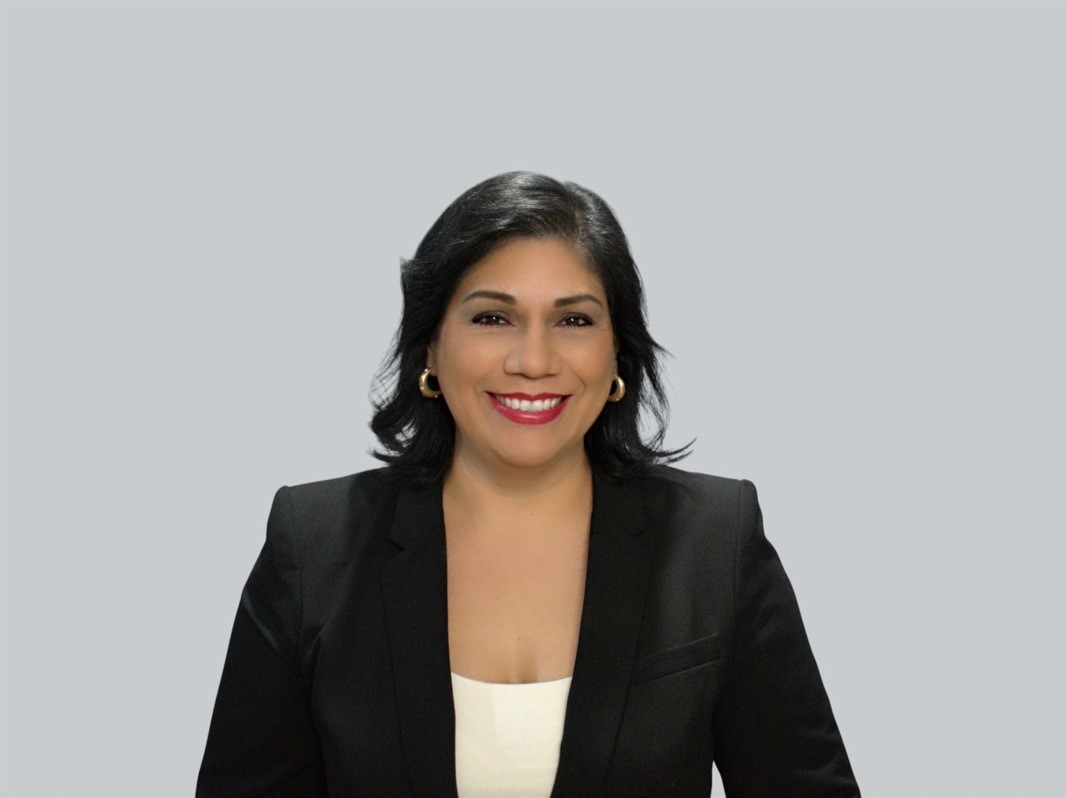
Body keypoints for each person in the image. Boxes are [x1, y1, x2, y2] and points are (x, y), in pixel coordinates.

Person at [196, 172, 860, 797]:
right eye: (492, 318)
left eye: (574, 320)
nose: (534, 361)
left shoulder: (717, 539)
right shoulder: (313, 544)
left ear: (617, 353)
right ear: (430, 347)